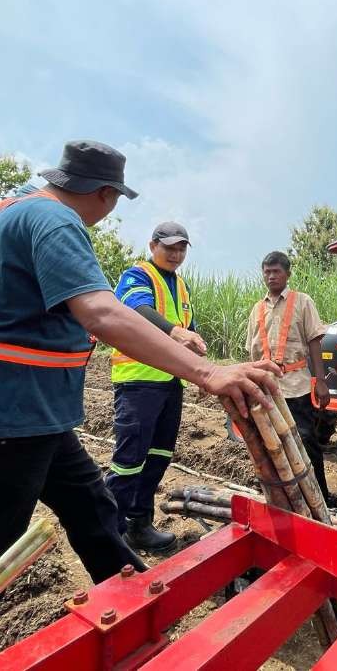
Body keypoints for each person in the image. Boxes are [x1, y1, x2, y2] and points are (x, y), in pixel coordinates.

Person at [0, 140, 279, 659]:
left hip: (34, 419)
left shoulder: (4, 213)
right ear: (105, 194)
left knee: (94, 512)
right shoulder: (56, 222)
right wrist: (208, 372)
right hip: (7, 424)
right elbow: (101, 312)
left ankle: (141, 615)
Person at [107, 222, 207, 552]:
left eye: (181, 249)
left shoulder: (181, 286)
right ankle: (111, 535)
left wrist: (201, 373)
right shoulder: (137, 275)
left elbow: (188, 333)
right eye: (170, 248)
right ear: (153, 246)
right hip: (138, 382)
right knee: (128, 461)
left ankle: (138, 525)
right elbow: (136, 308)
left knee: (159, 456)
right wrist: (174, 332)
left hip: (169, 383)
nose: (176, 254)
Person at [245, 251, 331, 499]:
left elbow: (315, 342)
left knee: (305, 440)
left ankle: (320, 496)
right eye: (267, 272)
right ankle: (285, 497)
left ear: (287, 274)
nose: (271, 276)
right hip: (266, 388)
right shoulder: (257, 309)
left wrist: (321, 381)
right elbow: (253, 352)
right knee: (269, 444)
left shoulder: (302, 302)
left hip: (296, 387)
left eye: (276, 271)